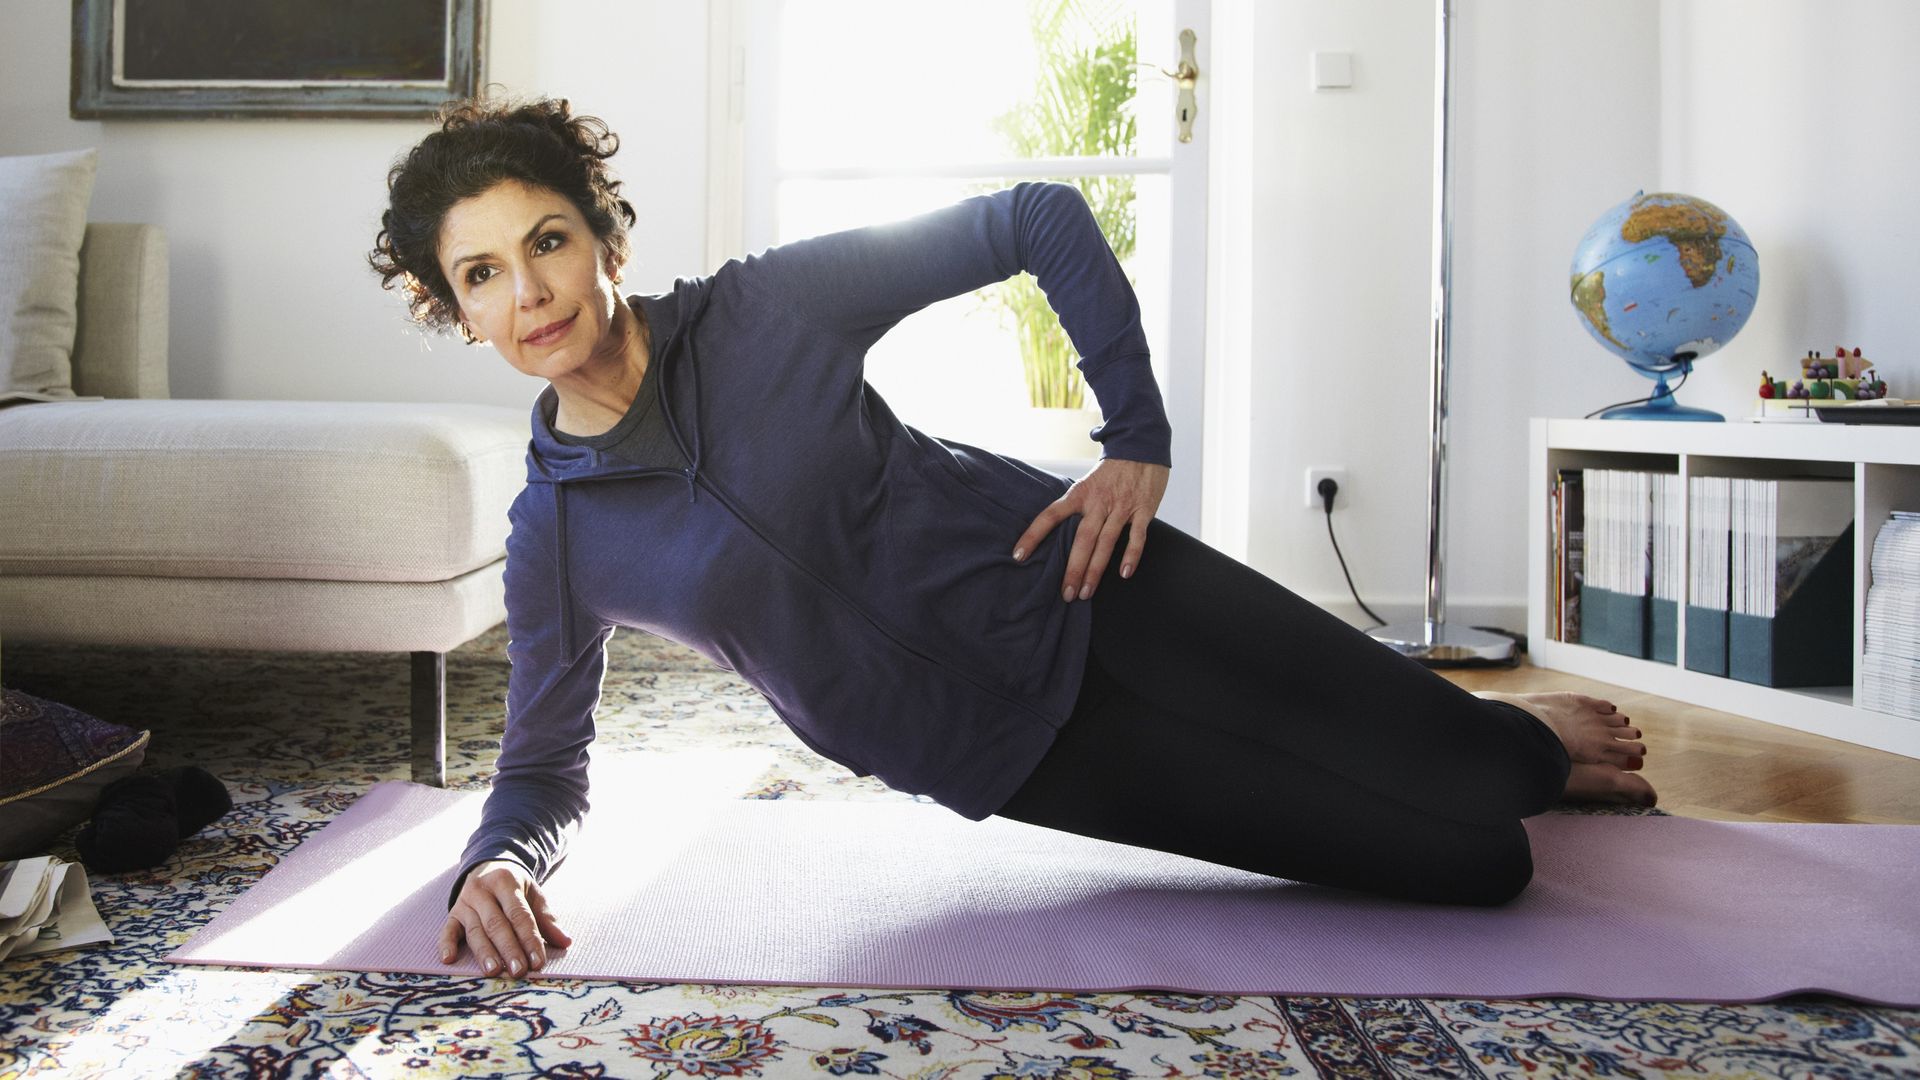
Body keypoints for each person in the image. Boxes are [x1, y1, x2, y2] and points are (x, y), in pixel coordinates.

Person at [369, 96, 1655, 982]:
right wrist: (498, 862)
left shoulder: (766, 310)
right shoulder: (556, 531)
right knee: (1480, 868)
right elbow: (544, 764)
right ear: (453, 308)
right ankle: (1499, 767)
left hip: (1091, 585)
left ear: (604, 236)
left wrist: (1135, 440)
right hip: (1010, 754)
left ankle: (1520, 740)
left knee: (1495, 779)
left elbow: (1038, 217)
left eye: (548, 240)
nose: (529, 291)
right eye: (481, 274)